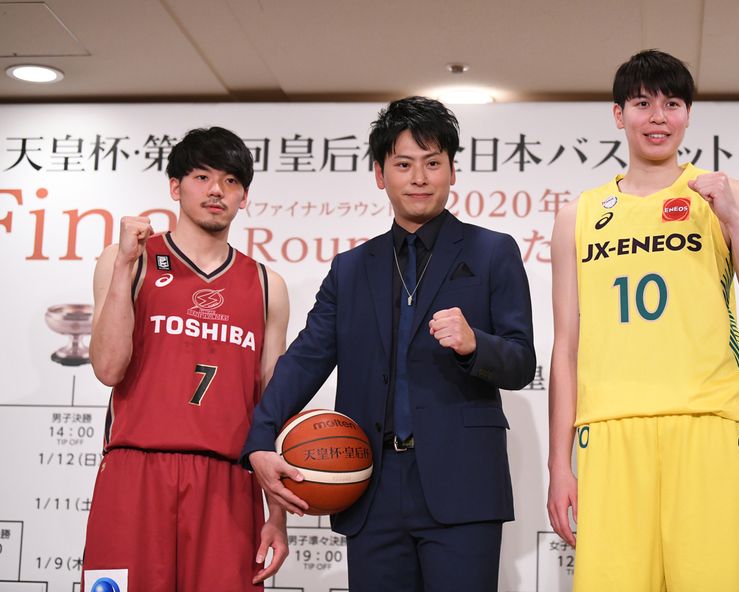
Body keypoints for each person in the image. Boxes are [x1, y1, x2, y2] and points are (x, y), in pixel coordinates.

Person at [242, 96, 536, 591]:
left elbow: (522, 362)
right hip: (371, 487)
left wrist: (474, 345)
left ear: (452, 171)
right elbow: (306, 359)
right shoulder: (352, 269)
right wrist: (258, 439)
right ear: (380, 175)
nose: (419, 178)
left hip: (462, 484)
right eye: (403, 164)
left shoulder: (492, 251)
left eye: (432, 163)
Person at [546, 50, 739, 592]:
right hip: (610, 433)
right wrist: (558, 465)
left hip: (707, 424)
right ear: (618, 114)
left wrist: (733, 221)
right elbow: (566, 348)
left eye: (672, 104)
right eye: (642, 103)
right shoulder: (577, 216)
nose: (658, 117)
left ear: (688, 115)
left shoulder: (731, 197)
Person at [81, 127, 290, 591]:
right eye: (202, 177)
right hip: (135, 471)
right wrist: (123, 267)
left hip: (228, 481)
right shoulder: (128, 259)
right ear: (175, 187)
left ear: (244, 197)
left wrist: (277, 514)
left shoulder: (267, 285)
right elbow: (108, 368)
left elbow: (271, 408)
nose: (217, 190)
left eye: (231, 181)